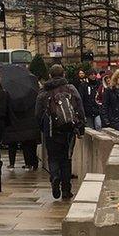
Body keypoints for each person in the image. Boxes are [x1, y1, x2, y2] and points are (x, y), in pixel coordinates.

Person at [35, 65, 85, 199]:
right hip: (68, 130)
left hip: (51, 131)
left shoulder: (44, 91)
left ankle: (55, 176)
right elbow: (80, 108)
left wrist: (43, 128)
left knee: (53, 157)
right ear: (63, 74)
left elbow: (38, 113)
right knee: (66, 159)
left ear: (50, 76)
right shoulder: (71, 88)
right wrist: (80, 127)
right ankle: (66, 190)